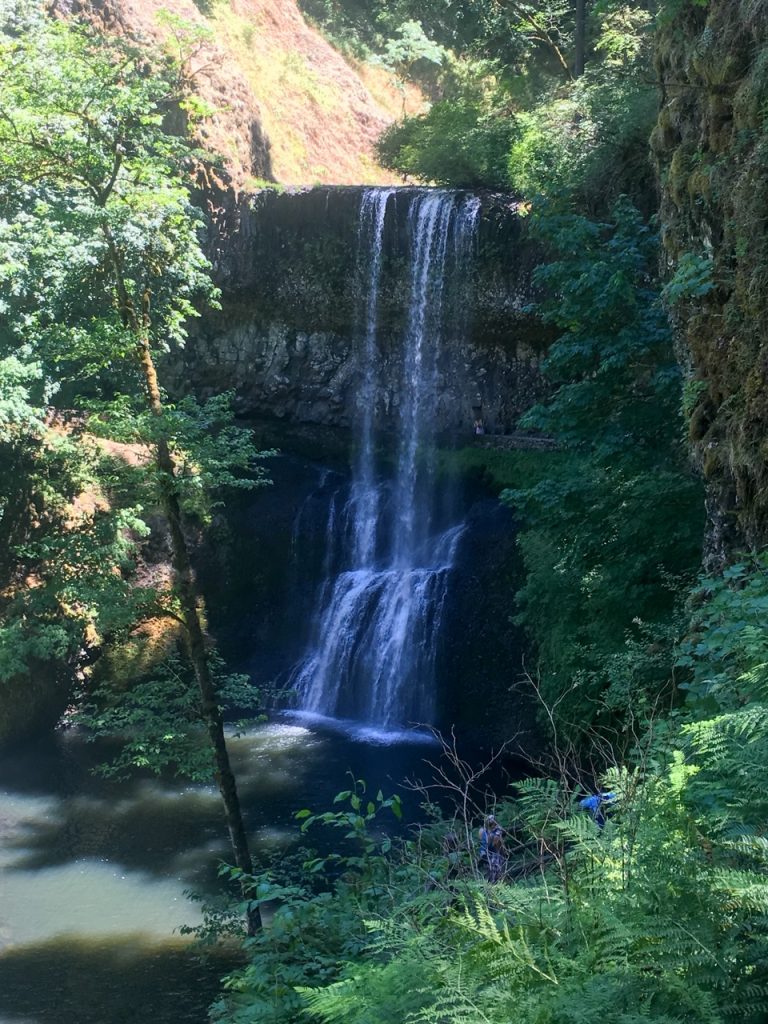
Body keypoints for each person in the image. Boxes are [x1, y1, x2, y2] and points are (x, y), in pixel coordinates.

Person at [478, 815, 506, 882]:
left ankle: (495, 882)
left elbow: (496, 842)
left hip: (496, 852)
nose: (492, 824)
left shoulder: (498, 829)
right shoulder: (483, 830)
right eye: (490, 822)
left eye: (493, 822)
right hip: (486, 852)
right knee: (488, 868)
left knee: (496, 867)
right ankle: (488, 882)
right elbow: (482, 841)